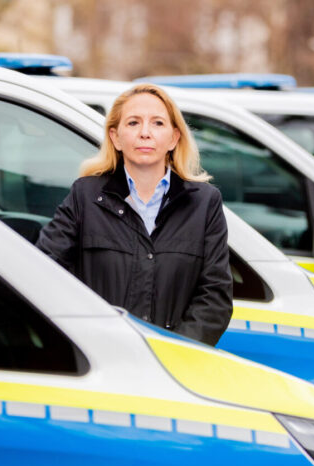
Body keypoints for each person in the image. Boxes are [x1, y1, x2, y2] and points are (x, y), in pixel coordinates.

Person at [36, 84, 232, 345]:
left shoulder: (204, 202)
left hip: (175, 363)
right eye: (133, 123)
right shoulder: (85, 196)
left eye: (157, 123)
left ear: (174, 138)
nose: (145, 133)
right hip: (101, 359)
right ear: (115, 137)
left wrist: (175, 351)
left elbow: (214, 296)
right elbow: (44, 274)